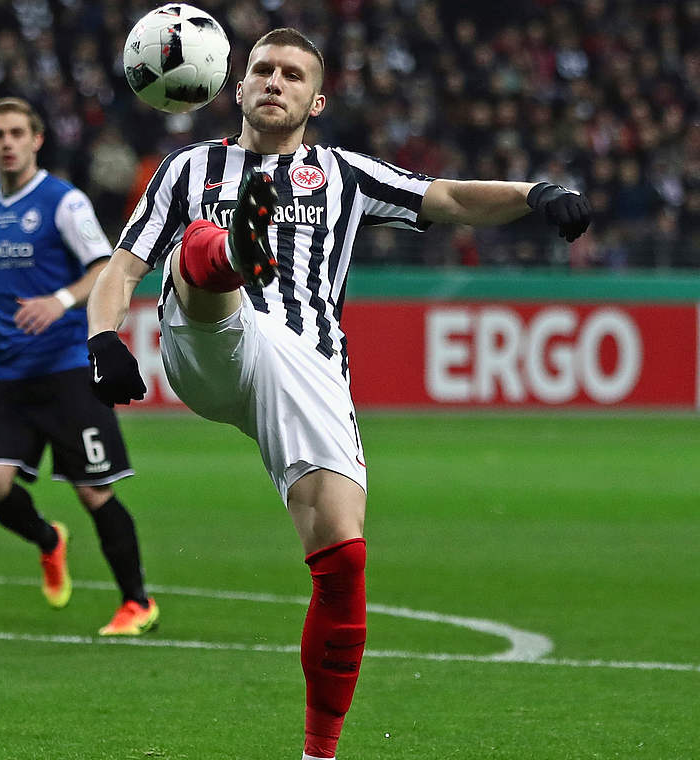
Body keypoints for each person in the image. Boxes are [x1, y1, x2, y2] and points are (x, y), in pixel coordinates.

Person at [86, 28, 592, 760]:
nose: (274, 81)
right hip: (213, 334)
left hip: (308, 363)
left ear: (316, 98)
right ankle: (234, 249)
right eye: (261, 69)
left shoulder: (342, 173)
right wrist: (104, 339)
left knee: (343, 558)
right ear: (236, 84)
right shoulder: (189, 166)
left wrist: (534, 193)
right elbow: (123, 267)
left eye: (292, 74)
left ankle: (318, 755)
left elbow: (444, 196)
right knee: (203, 246)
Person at [0, 97, 159, 637]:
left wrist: (60, 302)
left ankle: (137, 602)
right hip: (10, 374)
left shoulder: (64, 202)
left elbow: (105, 268)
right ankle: (48, 540)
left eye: (17, 132)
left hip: (68, 369)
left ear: (37, 139)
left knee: (94, 492)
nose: (7, 142)